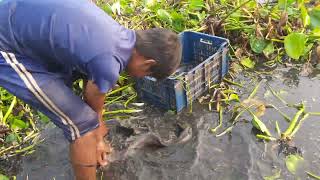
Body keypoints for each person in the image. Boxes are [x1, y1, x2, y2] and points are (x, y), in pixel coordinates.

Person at [0, 0, 182, 179]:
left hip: (13, 15)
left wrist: (99, 133)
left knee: (76, 102)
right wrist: (96, 140)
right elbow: (92, 105)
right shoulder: (109, 63)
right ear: (148, 63)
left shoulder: (117, 34)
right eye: (144, 74)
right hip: (6, 44)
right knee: (83, 125)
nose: (139, 77)